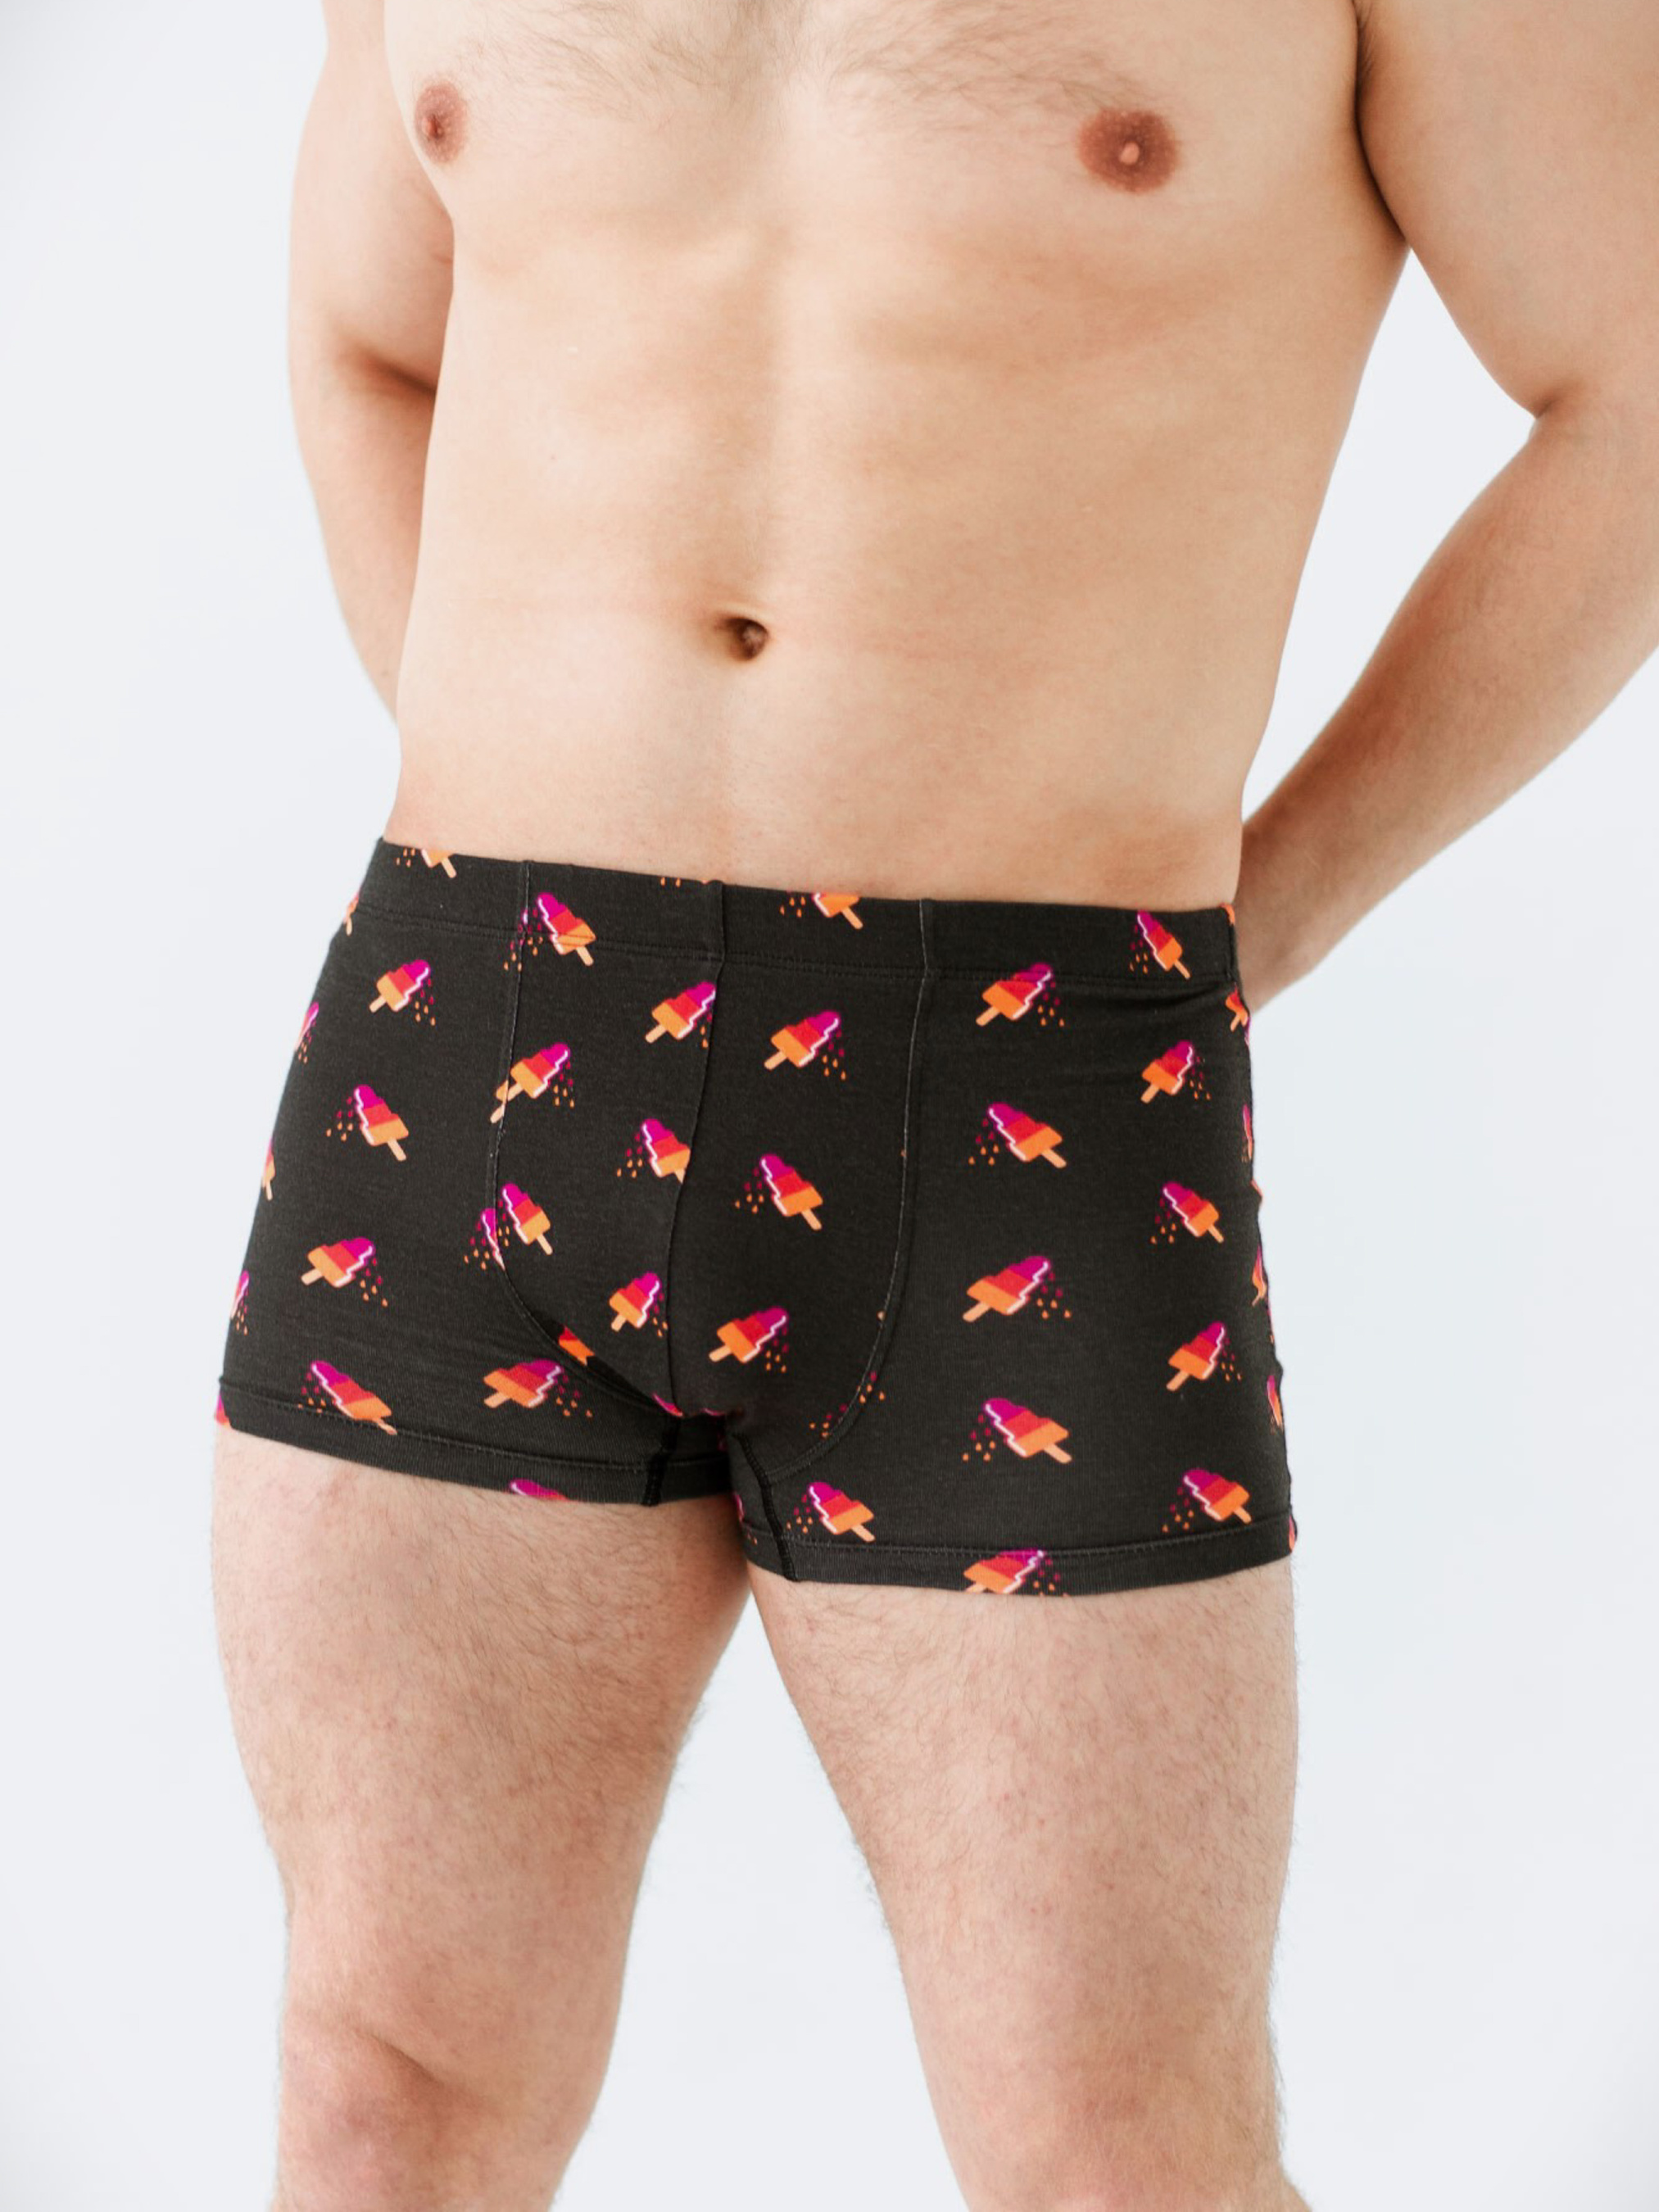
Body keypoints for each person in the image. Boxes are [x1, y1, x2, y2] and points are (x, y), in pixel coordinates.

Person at [212, 2, 1659, 2205]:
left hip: (1035, 1079)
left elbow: (1633, 396)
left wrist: (1259, 920)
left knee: (1113, 2154)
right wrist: (527, 820)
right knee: (380, 2090)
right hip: (471, 1041)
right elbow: (364, 338)